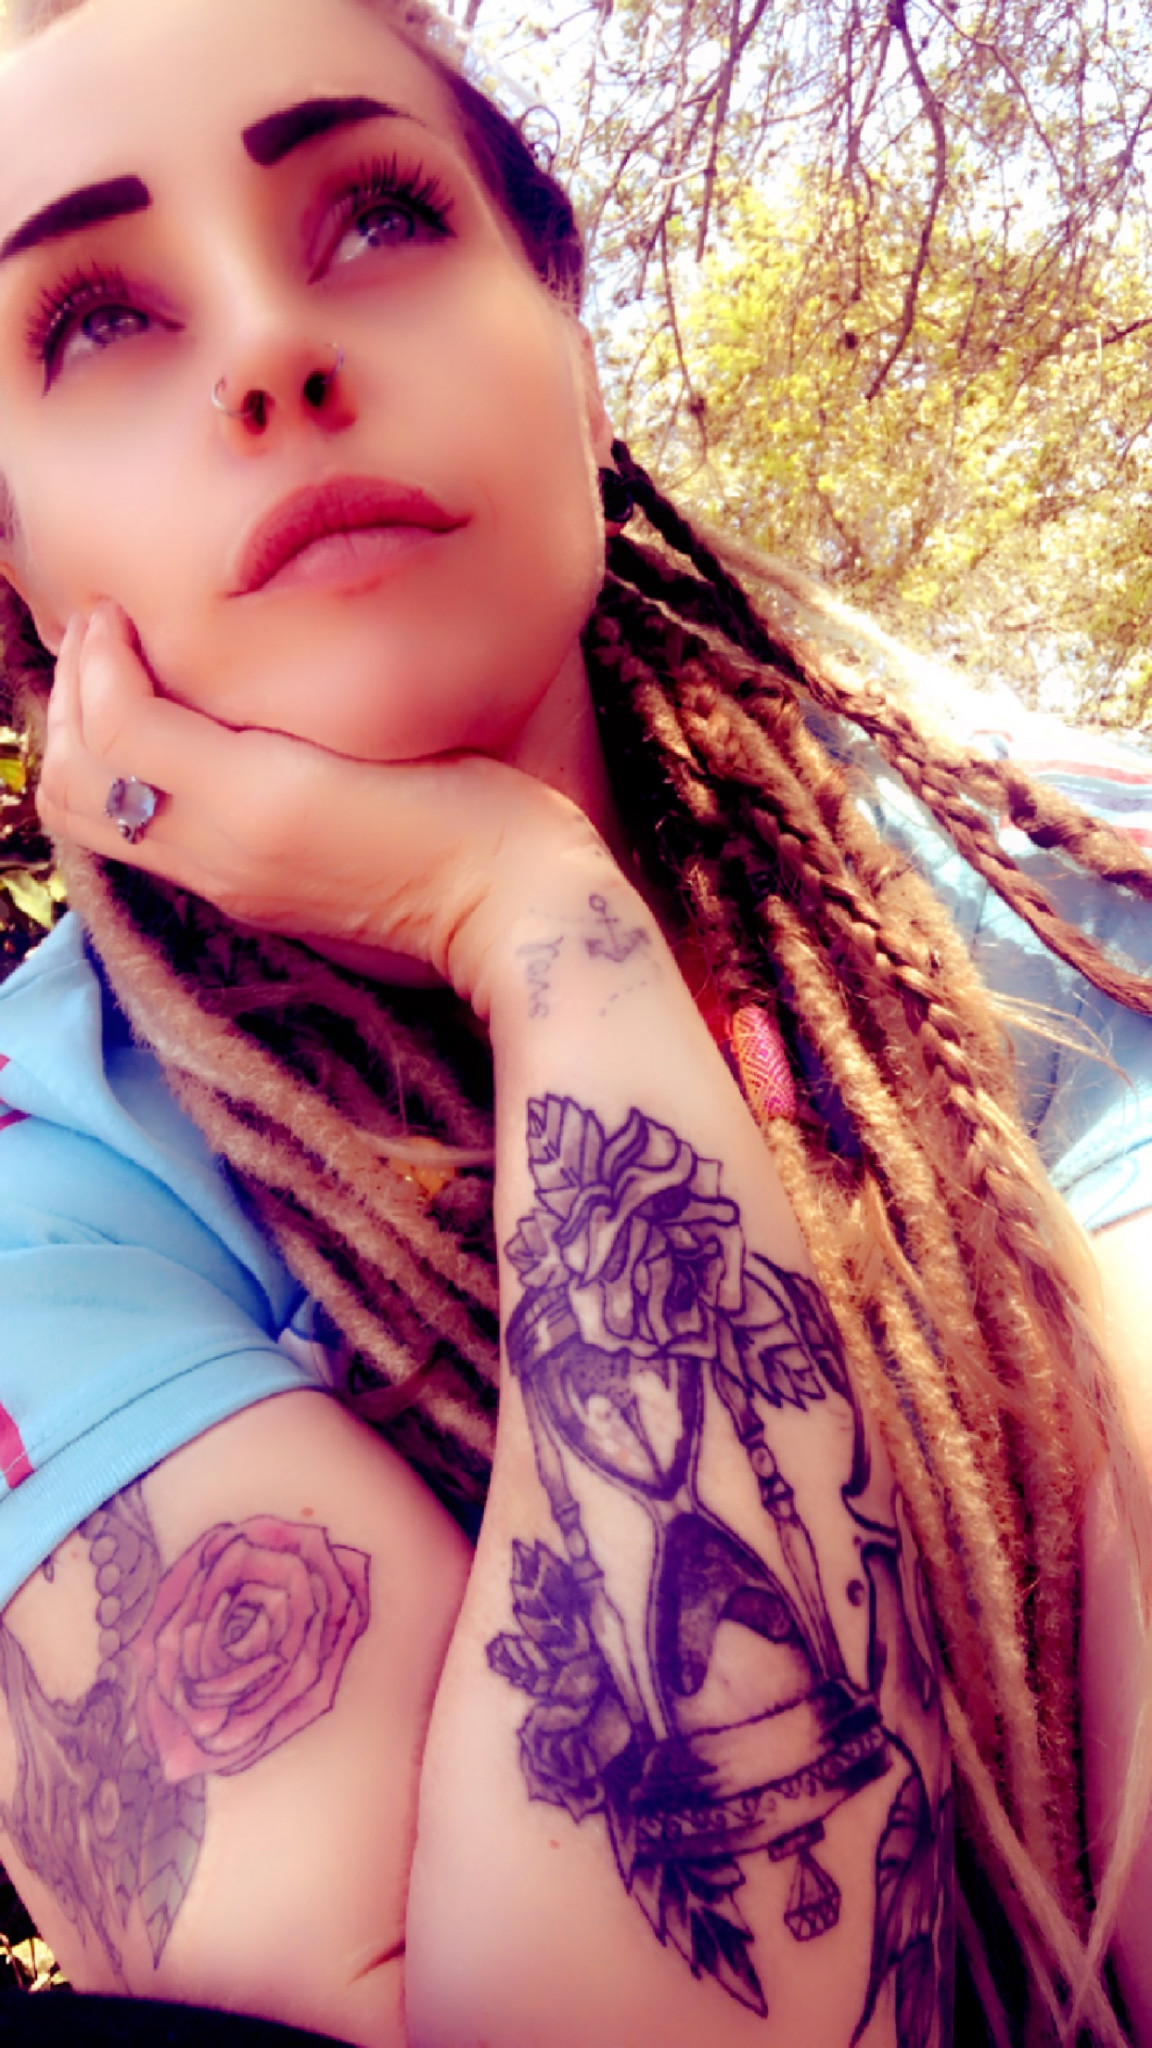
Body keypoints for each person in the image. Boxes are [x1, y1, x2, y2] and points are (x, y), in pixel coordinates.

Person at [0, 0, 1149, 2042]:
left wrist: (514, 892)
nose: (271, 347)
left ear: (577, 358)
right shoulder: (48, 1195)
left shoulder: (1074, 912)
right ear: (16, 565)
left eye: (375, 214)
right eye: (96, 321)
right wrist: (528, 922)